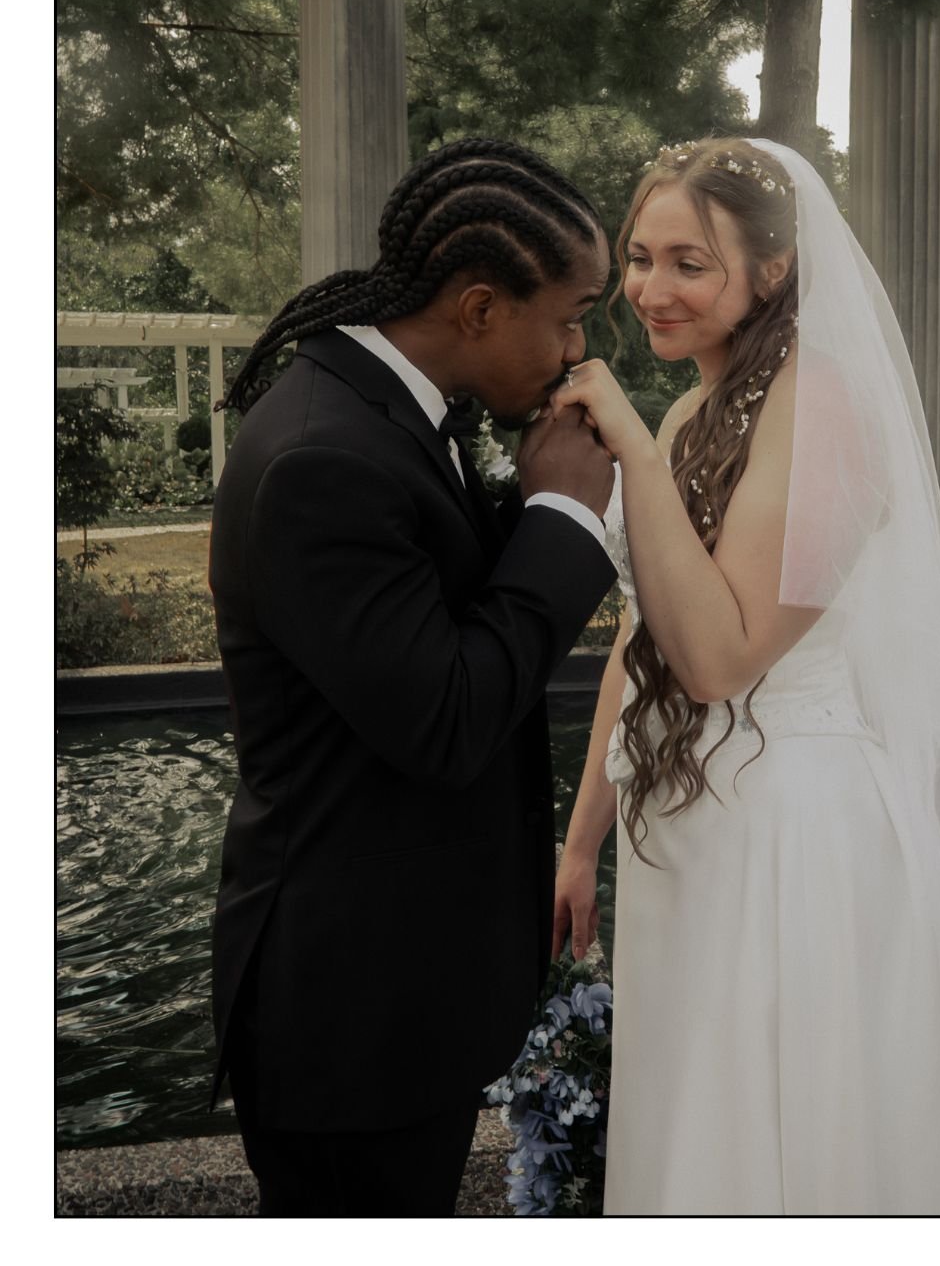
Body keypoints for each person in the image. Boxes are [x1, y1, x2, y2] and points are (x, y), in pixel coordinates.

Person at [552, 137, 940, 1216]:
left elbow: (721, 660)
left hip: (793, 831)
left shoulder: (823, 410)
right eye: (640, 258)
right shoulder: (688, 414)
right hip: (686, 825)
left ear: (770, 270)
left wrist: (627, 446)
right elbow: (646, 643)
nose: (650, 290)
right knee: (702, 1122)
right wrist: (581, 841)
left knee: (795, 1127)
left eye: (690, 262)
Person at [207, 138, 617, 1217]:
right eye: (571, 316)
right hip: (348, 1017)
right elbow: (447, 716)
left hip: (400, 994)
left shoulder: (388, 412)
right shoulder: (320, 459)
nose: (580, 349)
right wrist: (566, 519)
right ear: (480, 308)